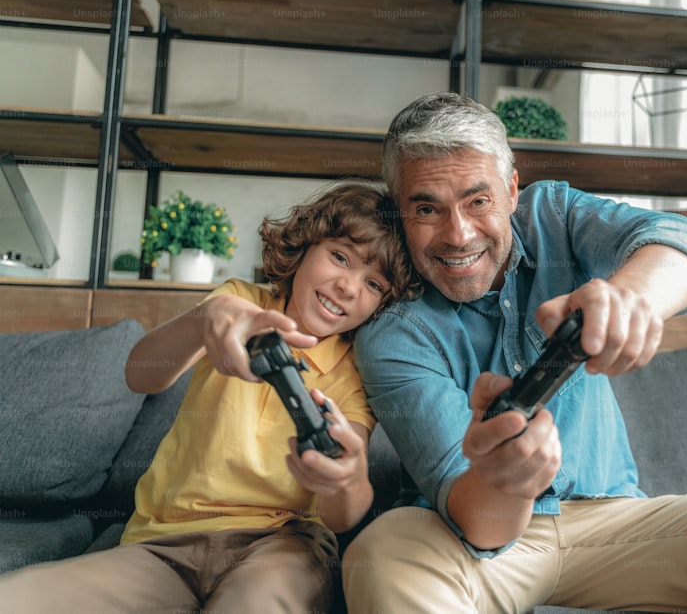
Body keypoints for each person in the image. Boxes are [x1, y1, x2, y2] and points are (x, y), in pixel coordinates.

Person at [342, 92, 687, 613]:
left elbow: (684, 241)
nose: (458, 235)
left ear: (512, 189)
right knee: (383, 552)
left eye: (479, 201)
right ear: (398, 210)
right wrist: (510, 481)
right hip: (468, 543)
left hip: (616, 524)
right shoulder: (393, 332)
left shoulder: (554, 215)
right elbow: (477, 523)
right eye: (427, 208)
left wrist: (632, 299)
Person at [0, 180, 418, 613]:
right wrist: (207, 318)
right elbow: (140, 376)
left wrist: (346, 480)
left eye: (373, 284)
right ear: (307, 246)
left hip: (282, 546)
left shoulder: (356, 372)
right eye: (339, 257)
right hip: (161, 546)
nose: (349, 286)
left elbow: (343, 516)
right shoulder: (237, 300)